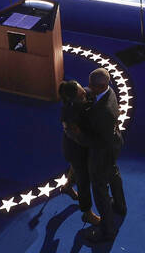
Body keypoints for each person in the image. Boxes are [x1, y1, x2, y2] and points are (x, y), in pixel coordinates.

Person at [80, 67, 126, 243]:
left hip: (102, 151)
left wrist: (75, 134)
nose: (89, 87)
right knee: (113, 173)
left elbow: (94, 140)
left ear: (100, 86)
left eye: (91, 85)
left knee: (100, 190)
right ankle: (120, 206)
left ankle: (108, 231)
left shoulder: (103, 112)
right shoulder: (110, 92)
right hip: (114, 144)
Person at [58, 80, 101, 226]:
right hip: (75, 148)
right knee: (83, 180)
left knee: (74, 168)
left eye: (82, 89)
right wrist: (95, 142)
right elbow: (78, 137)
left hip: (83, 144)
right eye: (81, 94)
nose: (85, 93)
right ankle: (87, 213)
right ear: (73, 99)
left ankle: (67, 187)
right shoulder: (68, 115)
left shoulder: (86, 94)